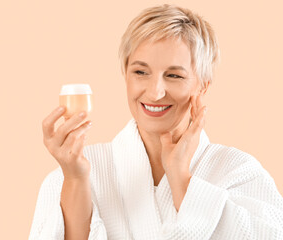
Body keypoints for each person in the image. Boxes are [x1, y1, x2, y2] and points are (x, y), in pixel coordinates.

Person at [28, 3, 283, 240]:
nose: (155, 92)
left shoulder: (238, 171)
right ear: (125, 74)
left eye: (174, 75)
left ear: (203, 85)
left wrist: (182, 178)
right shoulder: (77, 172)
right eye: (140, 72)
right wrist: (74, 179)